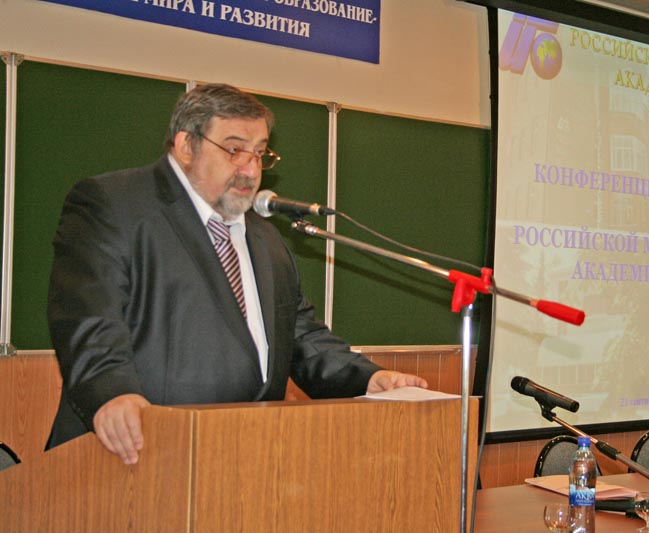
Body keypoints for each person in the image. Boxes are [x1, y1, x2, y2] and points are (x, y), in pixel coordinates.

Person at [46, 83, 427, 465]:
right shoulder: (114, 204)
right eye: (234, 150)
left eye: (259, 153)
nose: (250, 169)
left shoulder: (265, 238)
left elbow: (300, 335)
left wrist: (368, 379)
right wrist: (112, 392)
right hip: (133, 451)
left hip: (242, 455)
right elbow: (89, 317)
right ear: (186, 145)